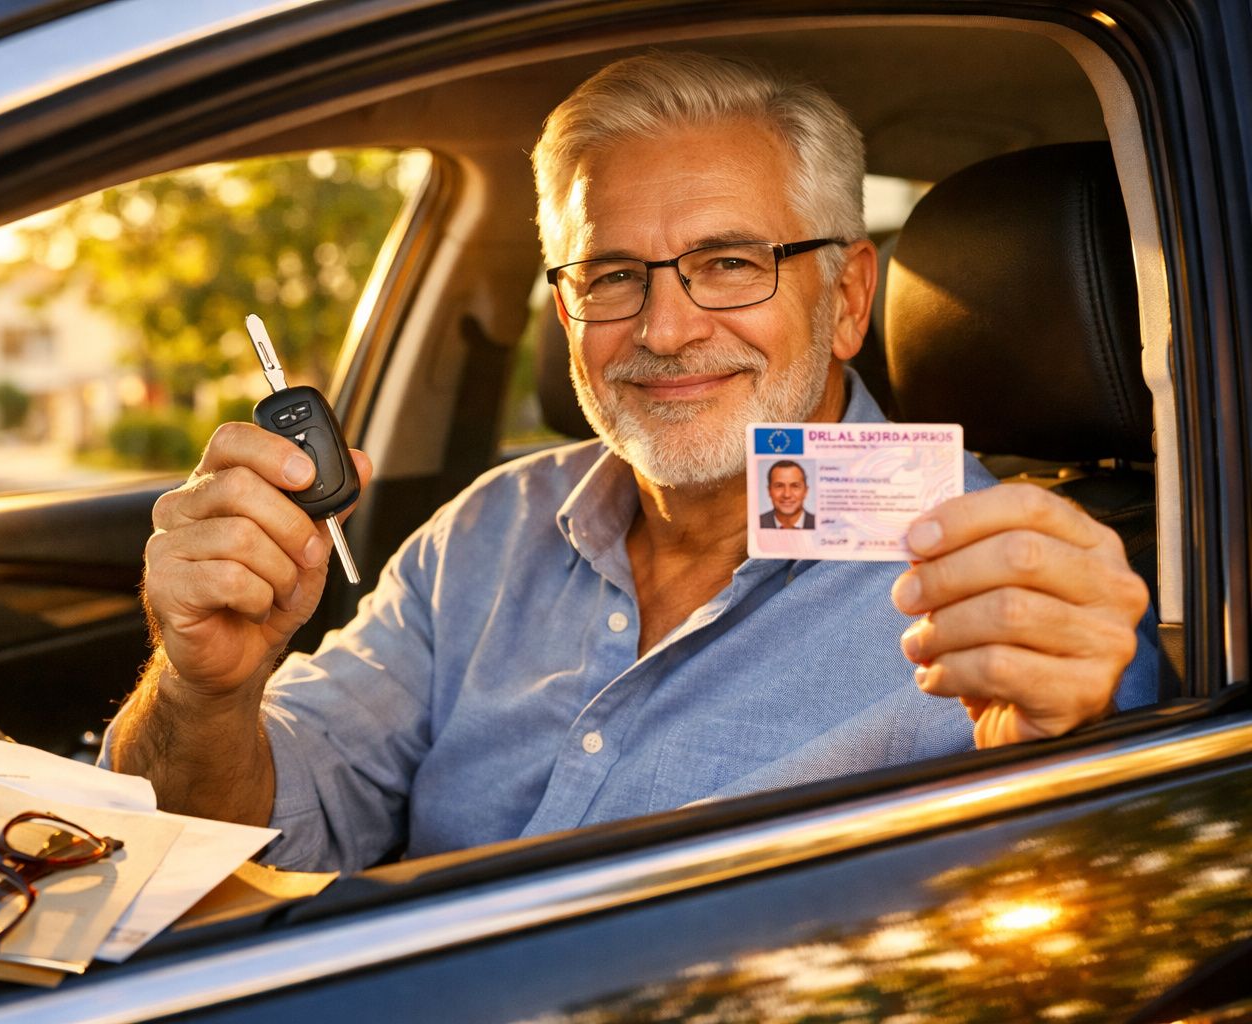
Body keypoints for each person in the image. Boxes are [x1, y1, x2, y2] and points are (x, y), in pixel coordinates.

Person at [106, 51, 1156, 873]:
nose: (664, 326)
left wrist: (1057, 772)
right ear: (565, 309)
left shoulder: (1018, 589)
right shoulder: (484, 533)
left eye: (730, 264)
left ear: (844, 301)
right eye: (611, 274)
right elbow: (254, 832)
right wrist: (206, 694)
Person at [759, 460, 813, 529]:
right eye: (779, 486)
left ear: (805, 491)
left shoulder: (821, 524)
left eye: (795, 486)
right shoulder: (756, 523)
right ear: (769, 491)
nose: (787, 495)